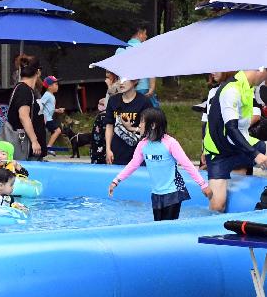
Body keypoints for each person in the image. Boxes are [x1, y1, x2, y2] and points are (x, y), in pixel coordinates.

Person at [108, 108, 212, 221]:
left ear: (152, 125)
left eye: (142, 121)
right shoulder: (143, 145)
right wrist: (116, 181)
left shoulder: (170, 143)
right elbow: (133, 165)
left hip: (173, 192)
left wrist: (203, 185)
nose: (139, 125)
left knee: (168, 228)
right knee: (158, 226)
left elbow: (187, 164)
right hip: (156, 193)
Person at [204, 69, 267, 211]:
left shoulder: (248, 87)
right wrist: (255, 154)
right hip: (219, 153)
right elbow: (231, 130)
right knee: (217, 206)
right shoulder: (231, 90)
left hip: (241, 146)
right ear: (260, 69)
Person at [5, 54, 47, 160]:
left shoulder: (24, 89)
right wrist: (34, 141)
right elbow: (24, 116)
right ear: (38, 72)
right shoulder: (24, 90)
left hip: (29, 147)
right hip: (27, 148)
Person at [104, 78, 152, 165]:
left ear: (135, 81)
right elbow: (109, 126)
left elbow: (149, 129)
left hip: (138, 151)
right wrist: (108, 149)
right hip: (117, 150)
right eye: (119, 79)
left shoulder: (144, 102)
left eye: (125, 79)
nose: (121, 83)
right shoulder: (113, 100)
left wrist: (131, 128)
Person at [116, 26, 159, 107]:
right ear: (139, 33)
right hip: (143, 87)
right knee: (151, 111)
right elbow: (151, 69)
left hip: (125, 87)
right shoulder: (146, 49)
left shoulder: (120, 50)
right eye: (145, 34)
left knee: (131, 110)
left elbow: (116, 70)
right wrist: (152, 88)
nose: (146, 37)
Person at [91, 71, 124, 164]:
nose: (106, 75)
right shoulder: (114, 83)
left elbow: (118, 99)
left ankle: (105, 157)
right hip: (104, 114)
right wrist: (104, 100)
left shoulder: (119, 84)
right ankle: (98, 157)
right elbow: (109, 99)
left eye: (109, 72)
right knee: (99, 139)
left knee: (106, 138)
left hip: (110, 116)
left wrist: (109, 86)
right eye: (106, 72)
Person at [40, 75, 66, 148]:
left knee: (44, 133)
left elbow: (49, 108)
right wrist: (42, 116)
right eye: (56, 84)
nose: (58, 86)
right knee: (57, 131)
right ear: (49, 86)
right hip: (46, 119)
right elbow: (40, 104)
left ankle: (46, 147)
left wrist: (57, 110)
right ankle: (49, 147)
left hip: (48, 118)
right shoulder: (47, 95)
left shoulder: (51, 95)